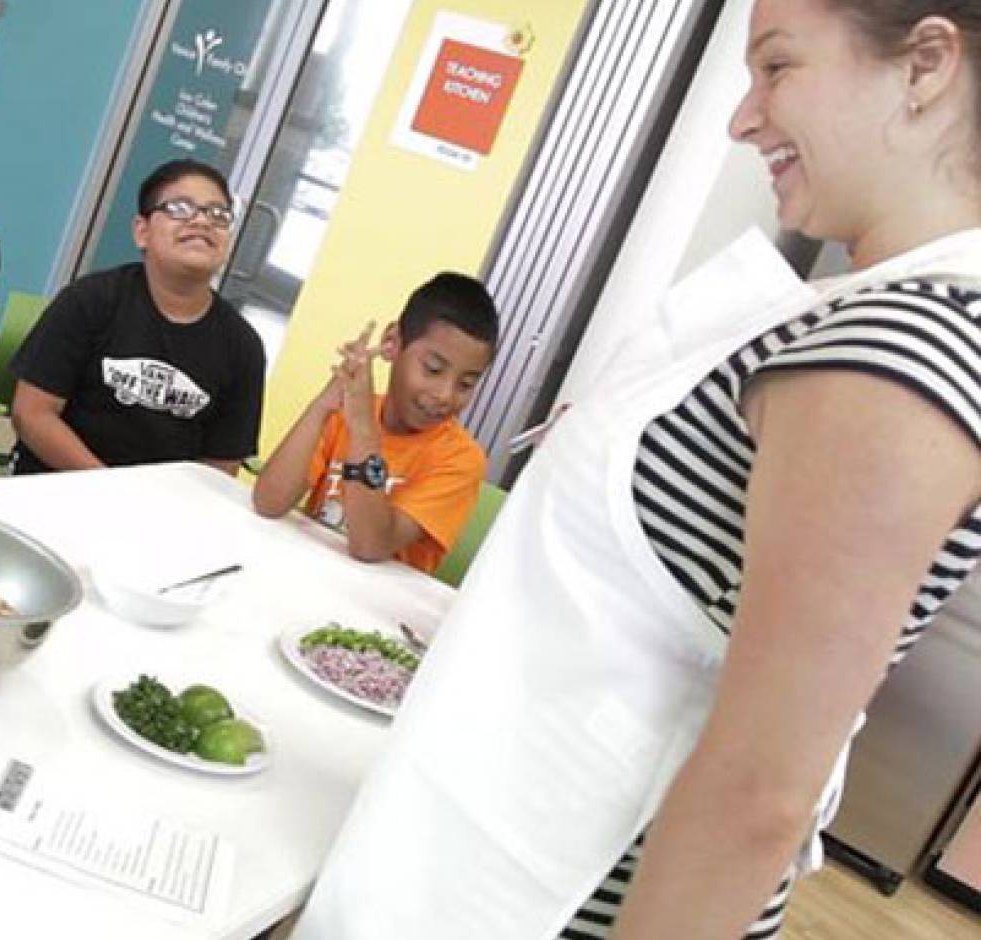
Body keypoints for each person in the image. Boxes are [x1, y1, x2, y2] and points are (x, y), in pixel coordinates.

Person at [290, 2, 981, 938]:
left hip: (560, 903)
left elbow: (757, 792)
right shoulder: (854, 315)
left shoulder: (902, 352)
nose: (744, 117)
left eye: (777, 67)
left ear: (926, 64)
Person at [8, 159, 266, 476]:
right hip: (54, 486)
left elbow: (220, 467)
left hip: (155, 513)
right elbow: (32, 413)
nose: (202, 221)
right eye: (181, 208)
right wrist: (108, 487)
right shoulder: (90, 300)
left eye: (218, 214)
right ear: (141, 232)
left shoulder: (243, 347)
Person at [251, 273, 497, 573]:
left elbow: (370, 546)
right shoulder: (346, 411)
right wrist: (322, 406)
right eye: (433, 370)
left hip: (377, 609)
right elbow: (268, 502)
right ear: (392, 343)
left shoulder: (461, 459)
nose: (445, 395)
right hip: (308, 573)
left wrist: (363, 429)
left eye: (466, 384)